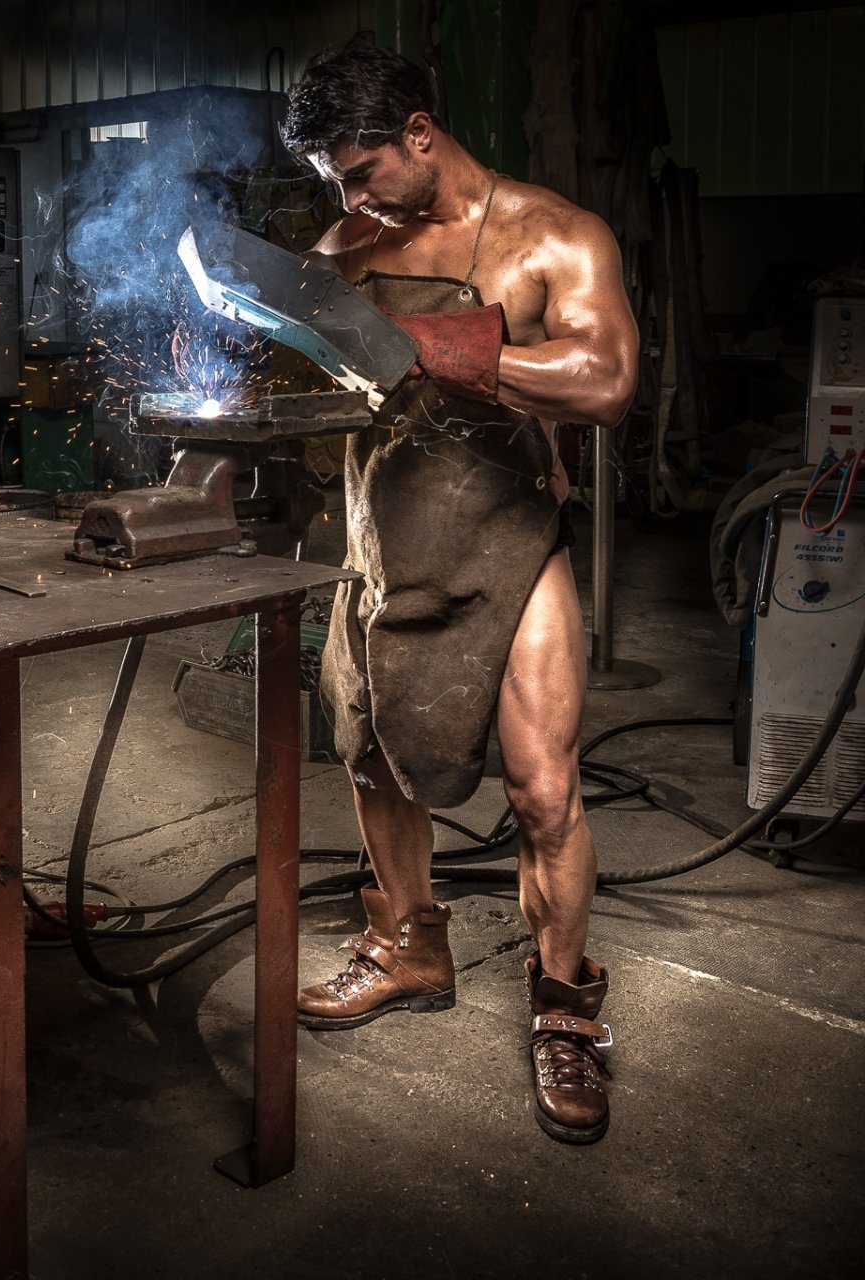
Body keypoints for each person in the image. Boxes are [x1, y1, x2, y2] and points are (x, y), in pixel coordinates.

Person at [277, 42, 638, 1144]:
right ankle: (411, 943)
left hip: (506, 538)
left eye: (362, 170)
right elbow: (298, 364)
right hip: (382, 538)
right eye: (332, 179)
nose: (347, 199)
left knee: (541, 789)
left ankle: (564, 1006)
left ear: (422, 133)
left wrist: (439, 345)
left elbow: (607, 381)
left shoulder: (555, 235)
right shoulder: (346, 244)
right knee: (371, 754)